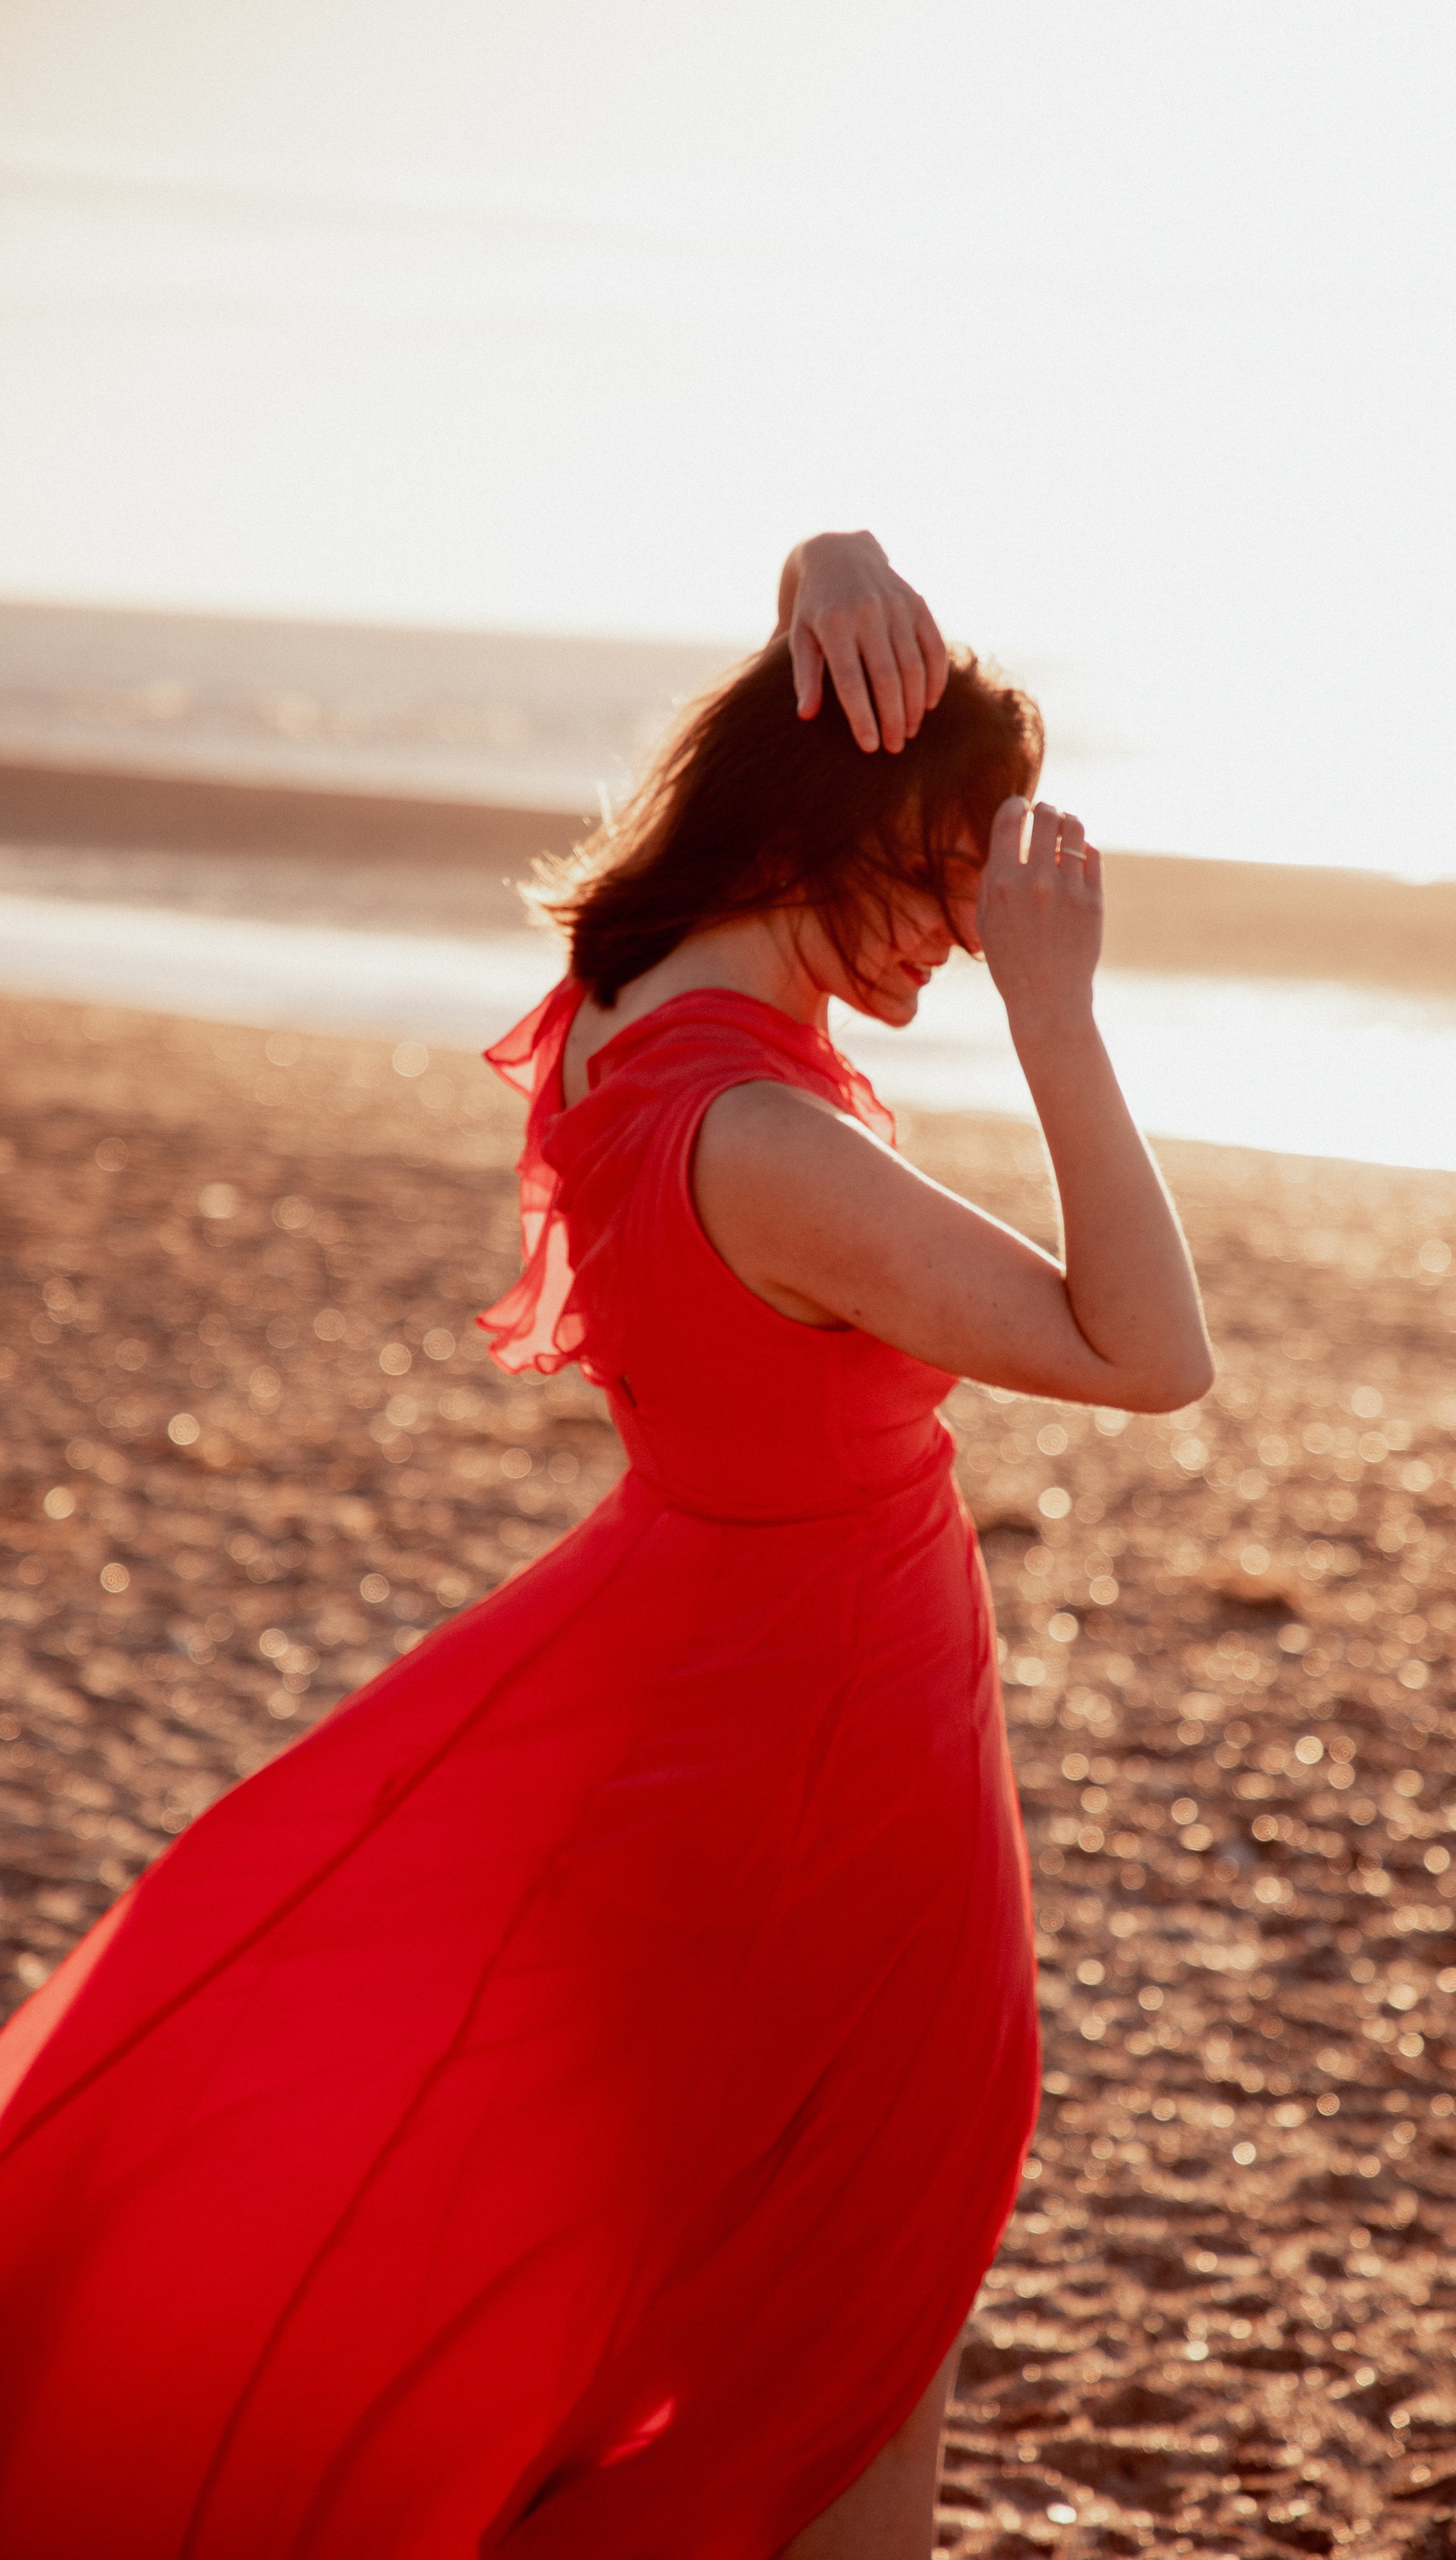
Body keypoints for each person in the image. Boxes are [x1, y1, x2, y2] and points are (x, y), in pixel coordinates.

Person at [0, 531, 1213, 2559]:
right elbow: (1149, 1354)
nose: (965, 940)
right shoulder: (769, 1144)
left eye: (991, 905)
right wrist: (1065, 1020)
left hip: (680, 1677)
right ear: (825, 821)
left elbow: (750, 821)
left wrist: (828, 566)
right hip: (831, 1748)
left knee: (762, 2248)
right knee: (869, 2261)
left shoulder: (614, 1008)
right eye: (940, 884)